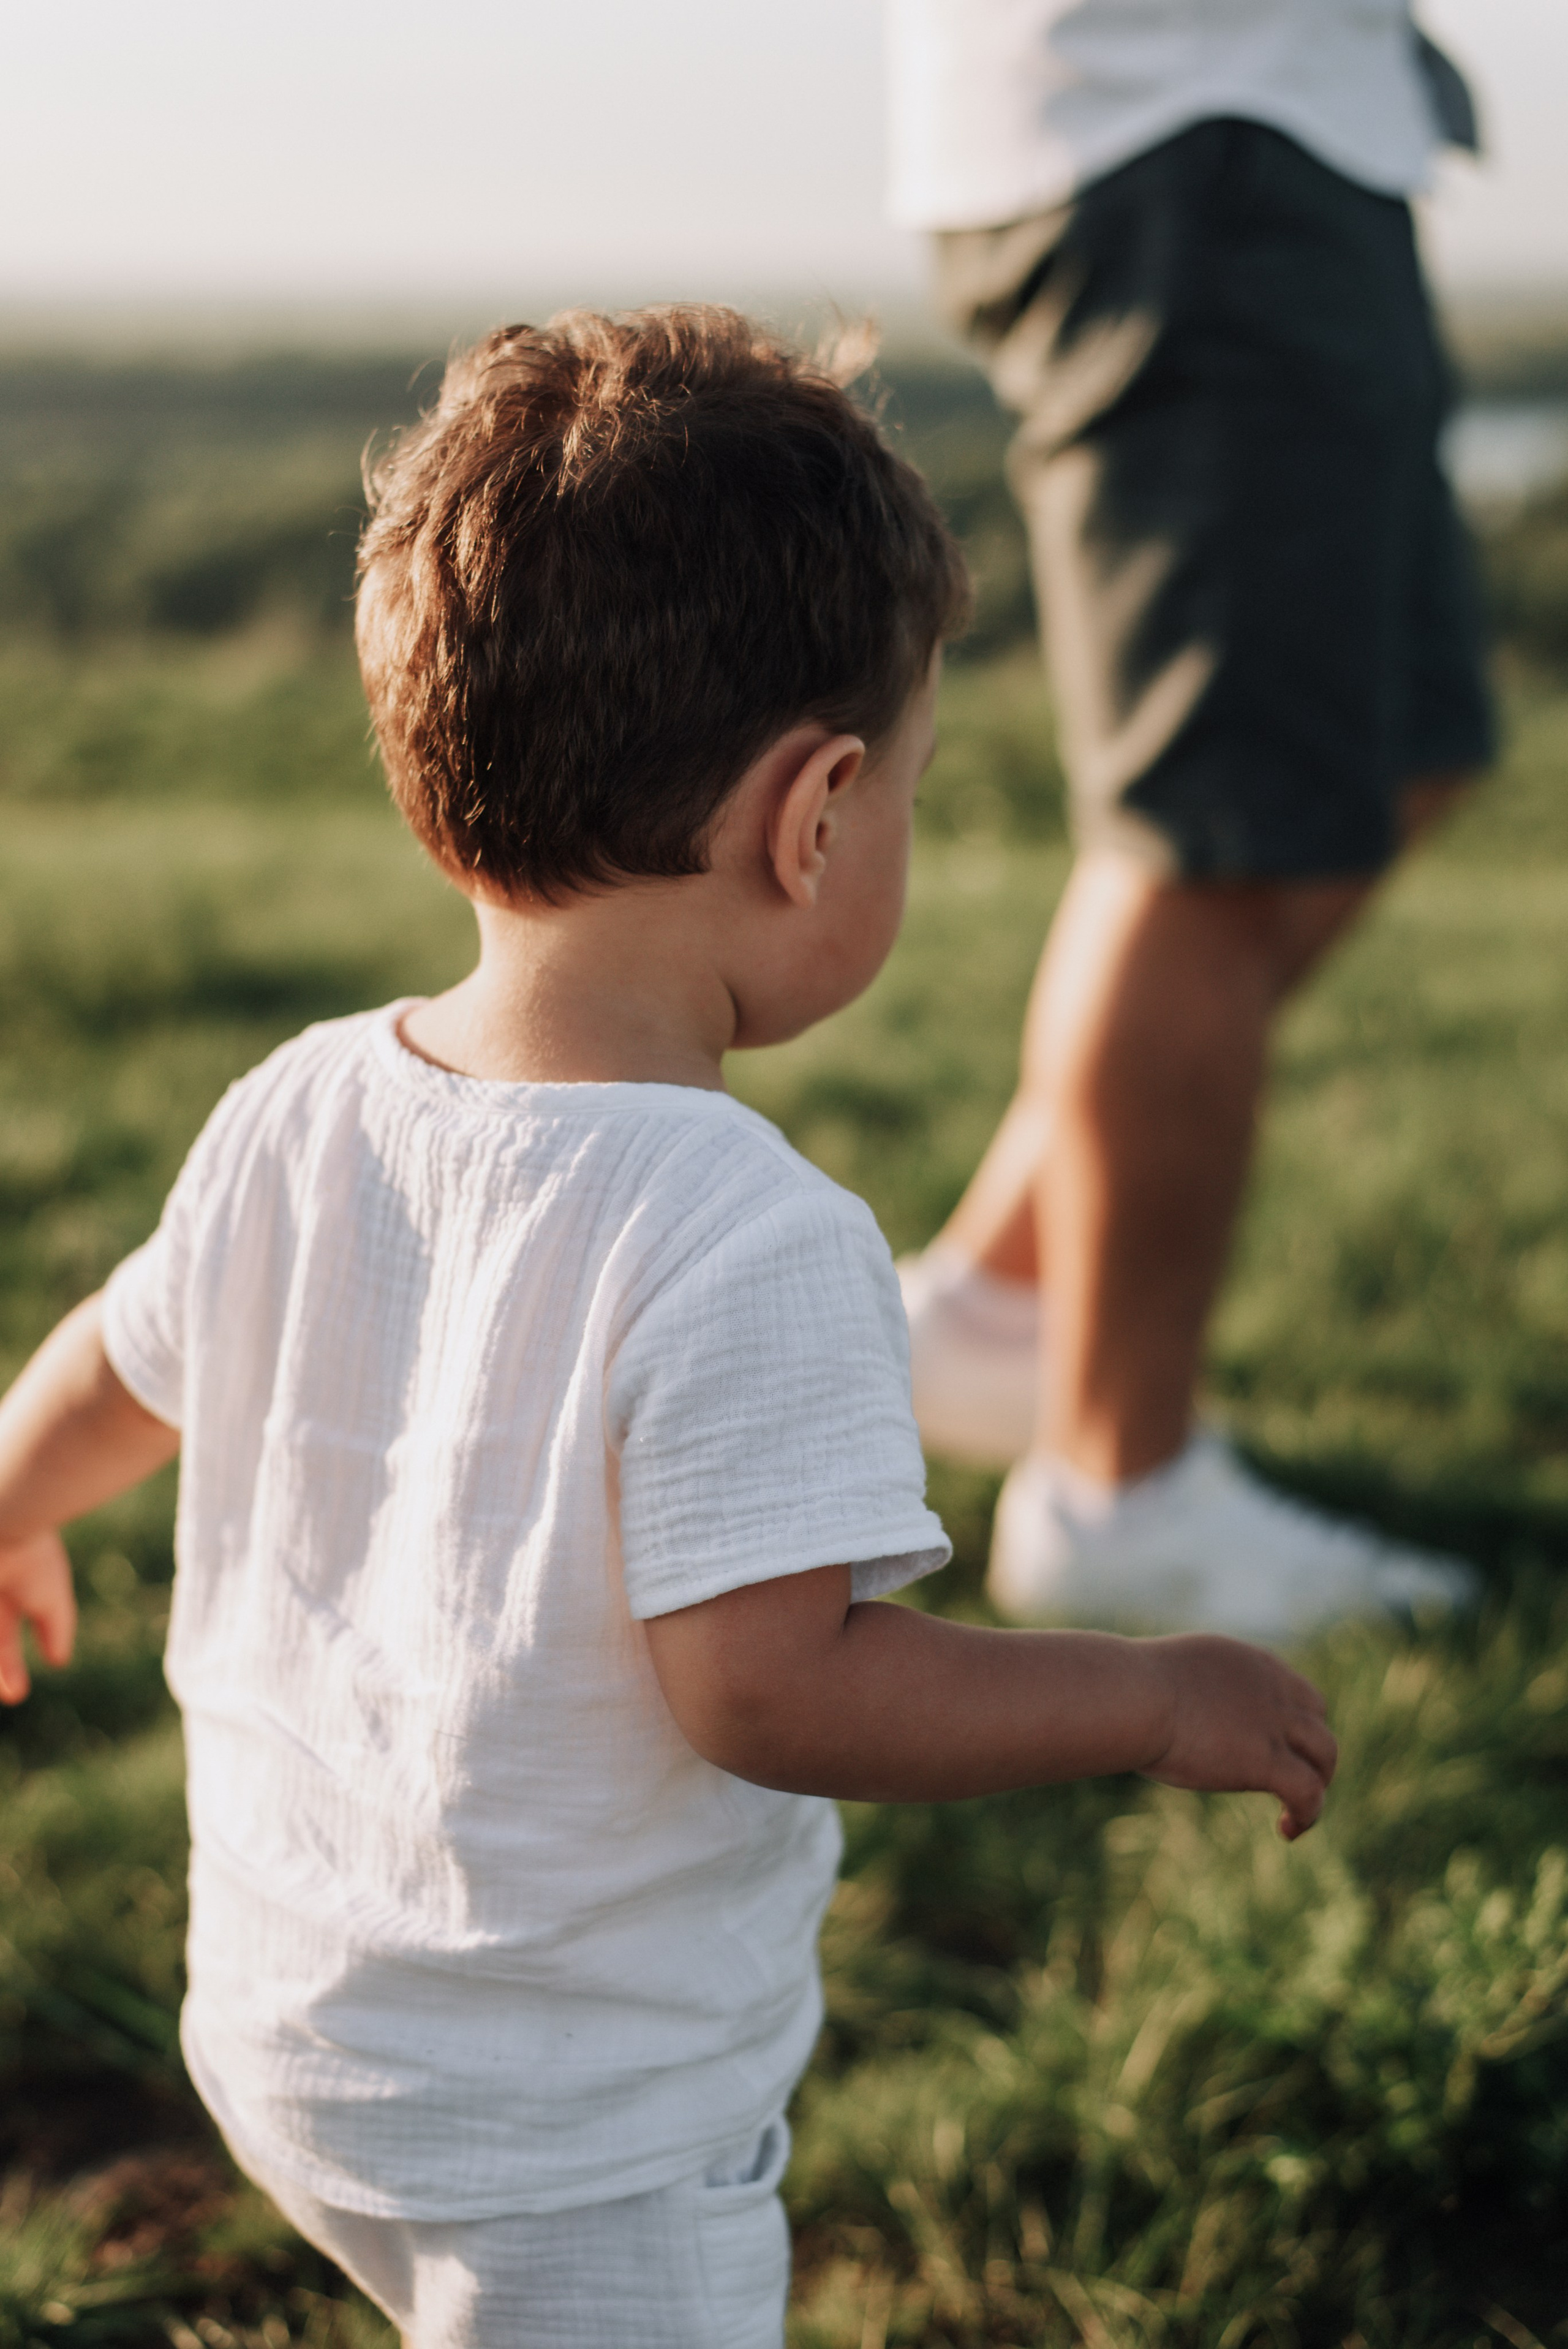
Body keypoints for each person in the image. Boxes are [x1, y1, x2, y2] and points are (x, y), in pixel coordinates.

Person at [0, 309, 1336, 2349]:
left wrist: (10, 1500)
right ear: (815, 815)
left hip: (290, 2026)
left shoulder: (296, 1102)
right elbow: (773, 1691)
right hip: (574, 2146)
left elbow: (118, 1357)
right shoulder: (749, 1233)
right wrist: (1149, 1702)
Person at [886, 0, 1496, 1640]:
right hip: (1187, 127)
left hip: (1278, 114)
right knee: (1216, 844)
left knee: (1395, 756)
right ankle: (1121, 1488)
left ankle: (1008, 1302)